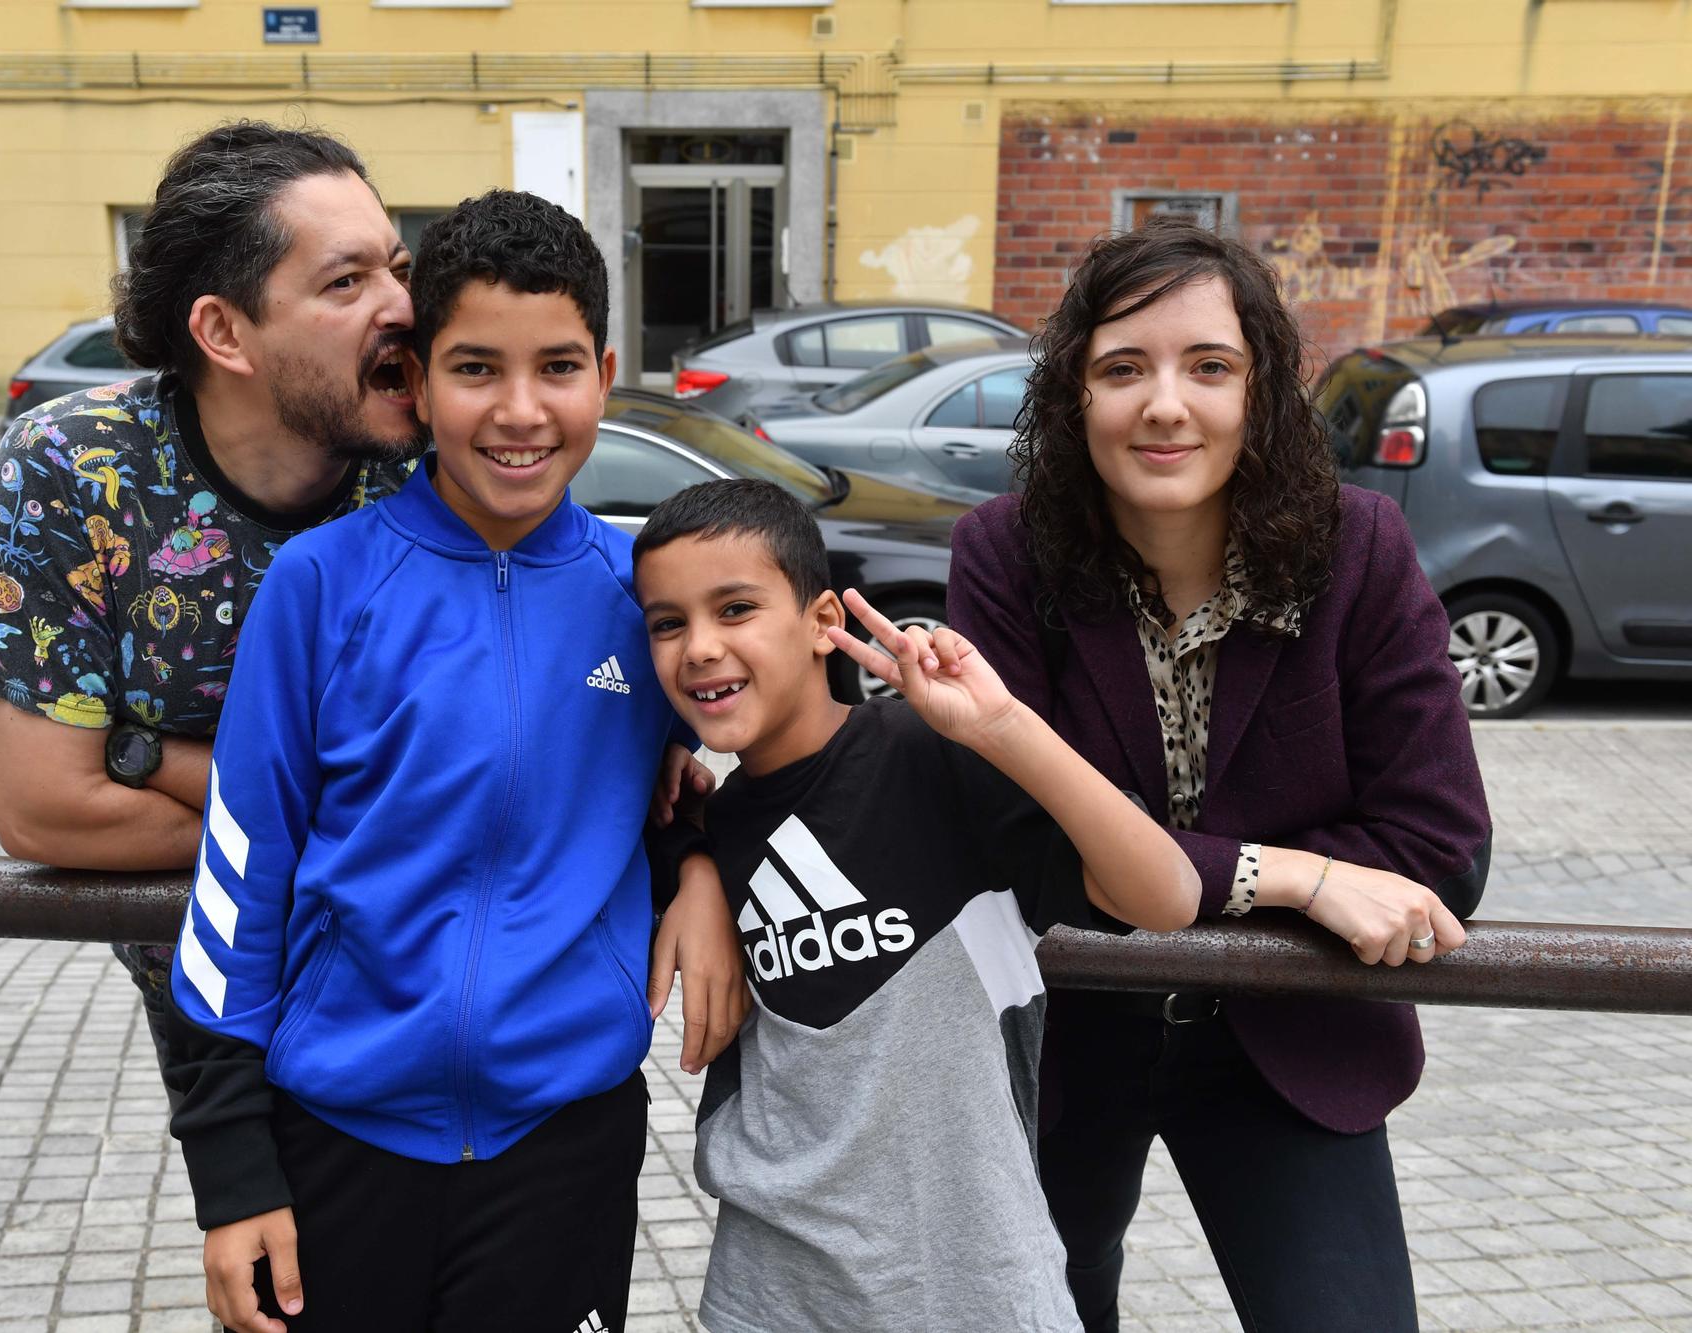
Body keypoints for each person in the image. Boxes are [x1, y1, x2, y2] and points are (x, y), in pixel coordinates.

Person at [0, 123, 735, 1108]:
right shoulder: (75, 467)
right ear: (224, 332)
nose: (404, 309)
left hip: (443, 997)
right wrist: (419, 814)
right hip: (221, 1004)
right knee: (262, 1251)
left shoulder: (424, 447)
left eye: (396, 266)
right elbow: (43, 807)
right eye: (346, 281)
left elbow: (564, 718)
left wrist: (149, 757)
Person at [161, 190, 745, 1333]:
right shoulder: (320, 586)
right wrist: (232, 1176)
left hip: (563, 1140)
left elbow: (729, 775)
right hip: (335, 1135)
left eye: (558, 367)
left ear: (605, 373)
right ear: (416, 382)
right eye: (476, 368)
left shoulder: (644, 596)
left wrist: (701, 867)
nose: (520, 411)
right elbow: (240, 880)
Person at [948, 215, 1494, 1331]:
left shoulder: (1359, 553)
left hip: (1292, 1028)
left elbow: (1439, 849)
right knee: (1037, 1314)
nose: (1163, 404)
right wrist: (1286, 876)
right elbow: (1023, 854)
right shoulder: (1005, 554)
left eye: (1208, 366)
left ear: (1261, 394)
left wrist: (1189, 878)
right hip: (1065, 1030)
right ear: (1071, 399)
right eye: (1120, 369)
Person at [631, 478, 1201, 1333]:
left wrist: (1002, 725)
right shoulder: (722, 816)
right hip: (768, 1287)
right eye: (668, 623)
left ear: (825, 620)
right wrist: (699, 863)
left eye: (736, 607)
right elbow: (658, 826)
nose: (699, 647)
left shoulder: (930, 758)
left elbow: (1168, 894)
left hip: (974, 1282)